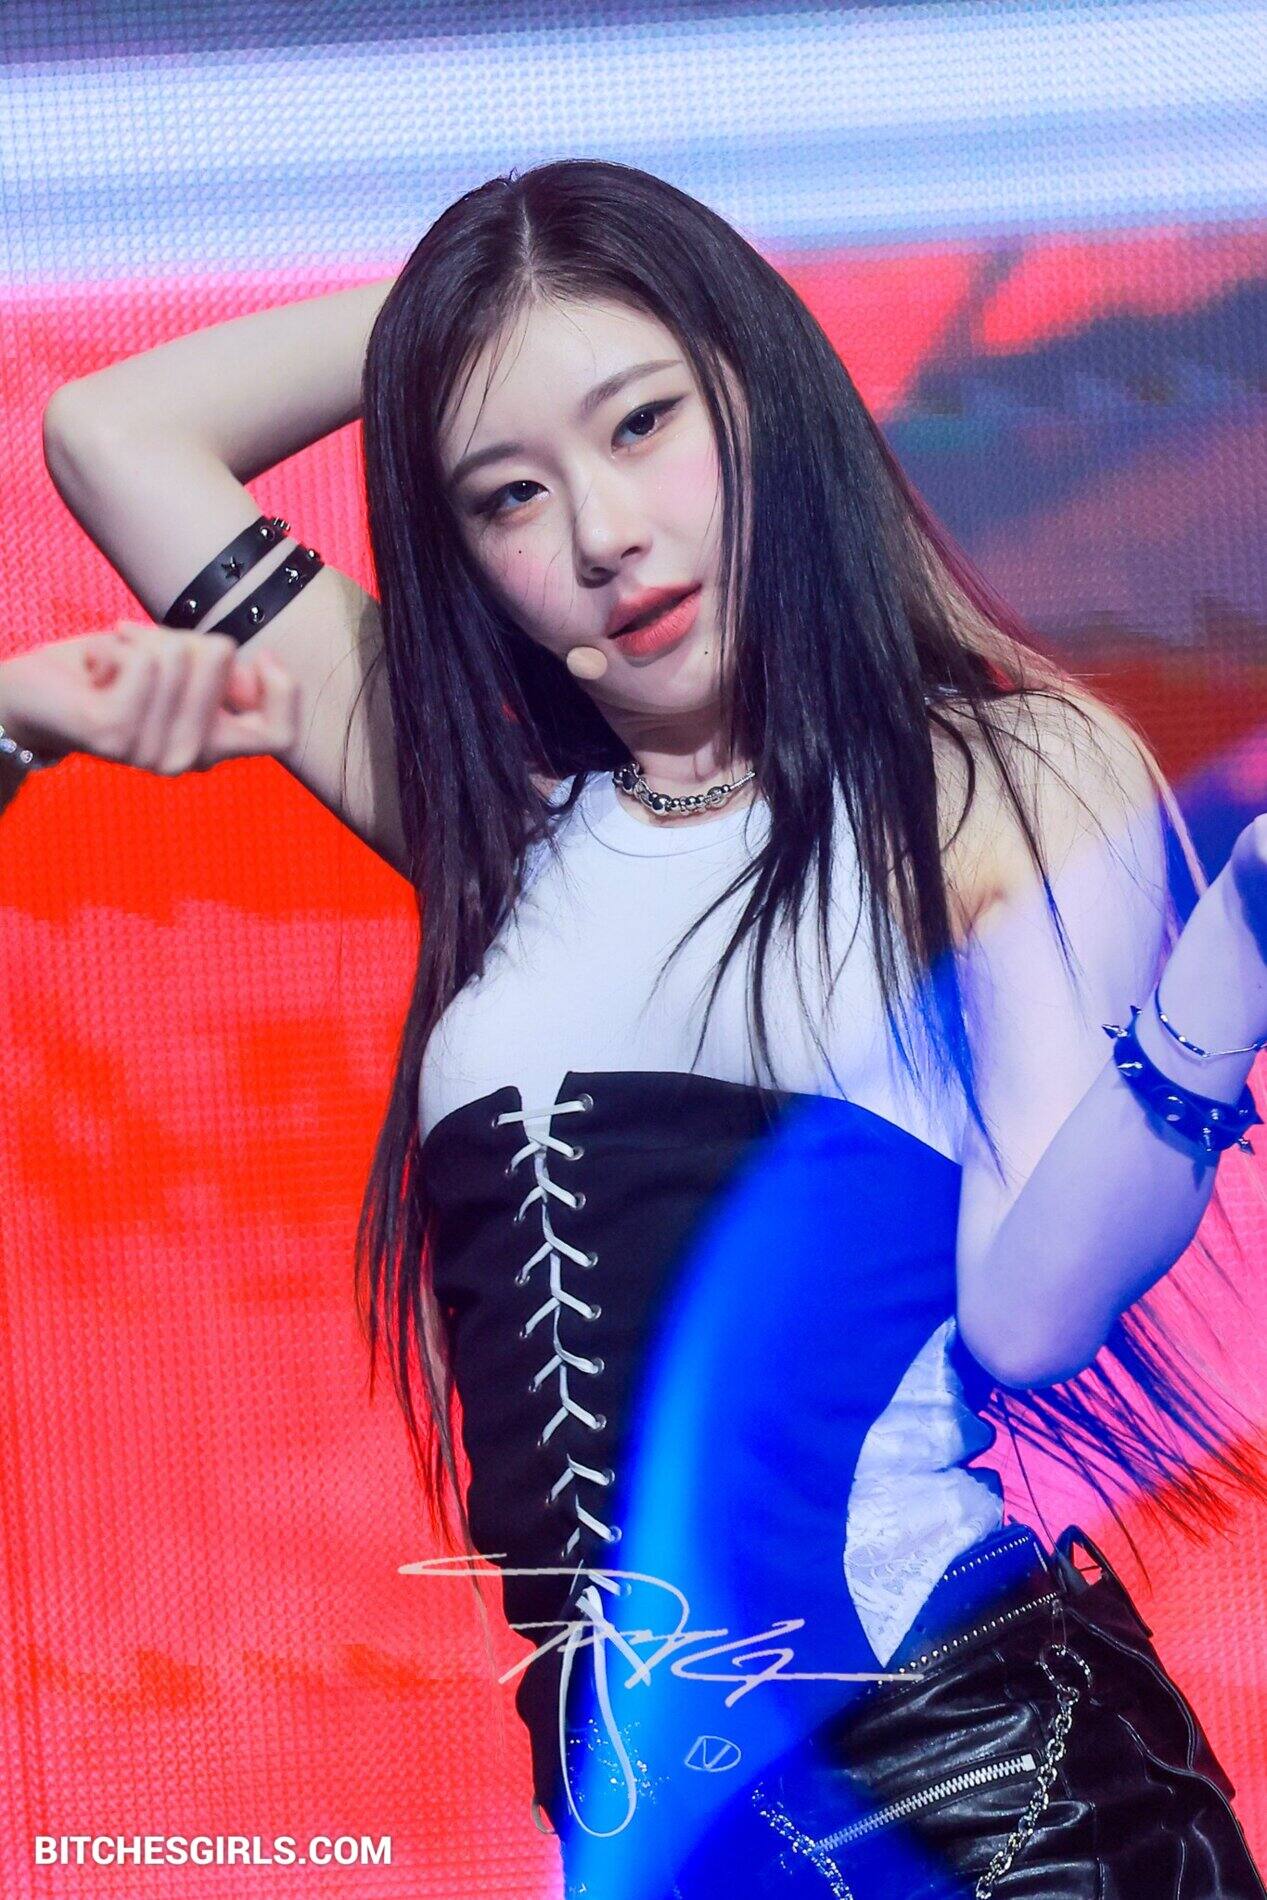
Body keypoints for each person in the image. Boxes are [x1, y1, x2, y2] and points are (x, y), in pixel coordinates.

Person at [14, 158, 1267, 1896]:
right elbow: (111, 436)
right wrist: (473, 318)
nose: (600, 534)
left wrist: (1228, 972)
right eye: (508, 494)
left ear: (760, 394)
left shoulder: (994, 776)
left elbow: (1033, 1311)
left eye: (642, 422)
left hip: (991, 1807)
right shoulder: (489, 822)